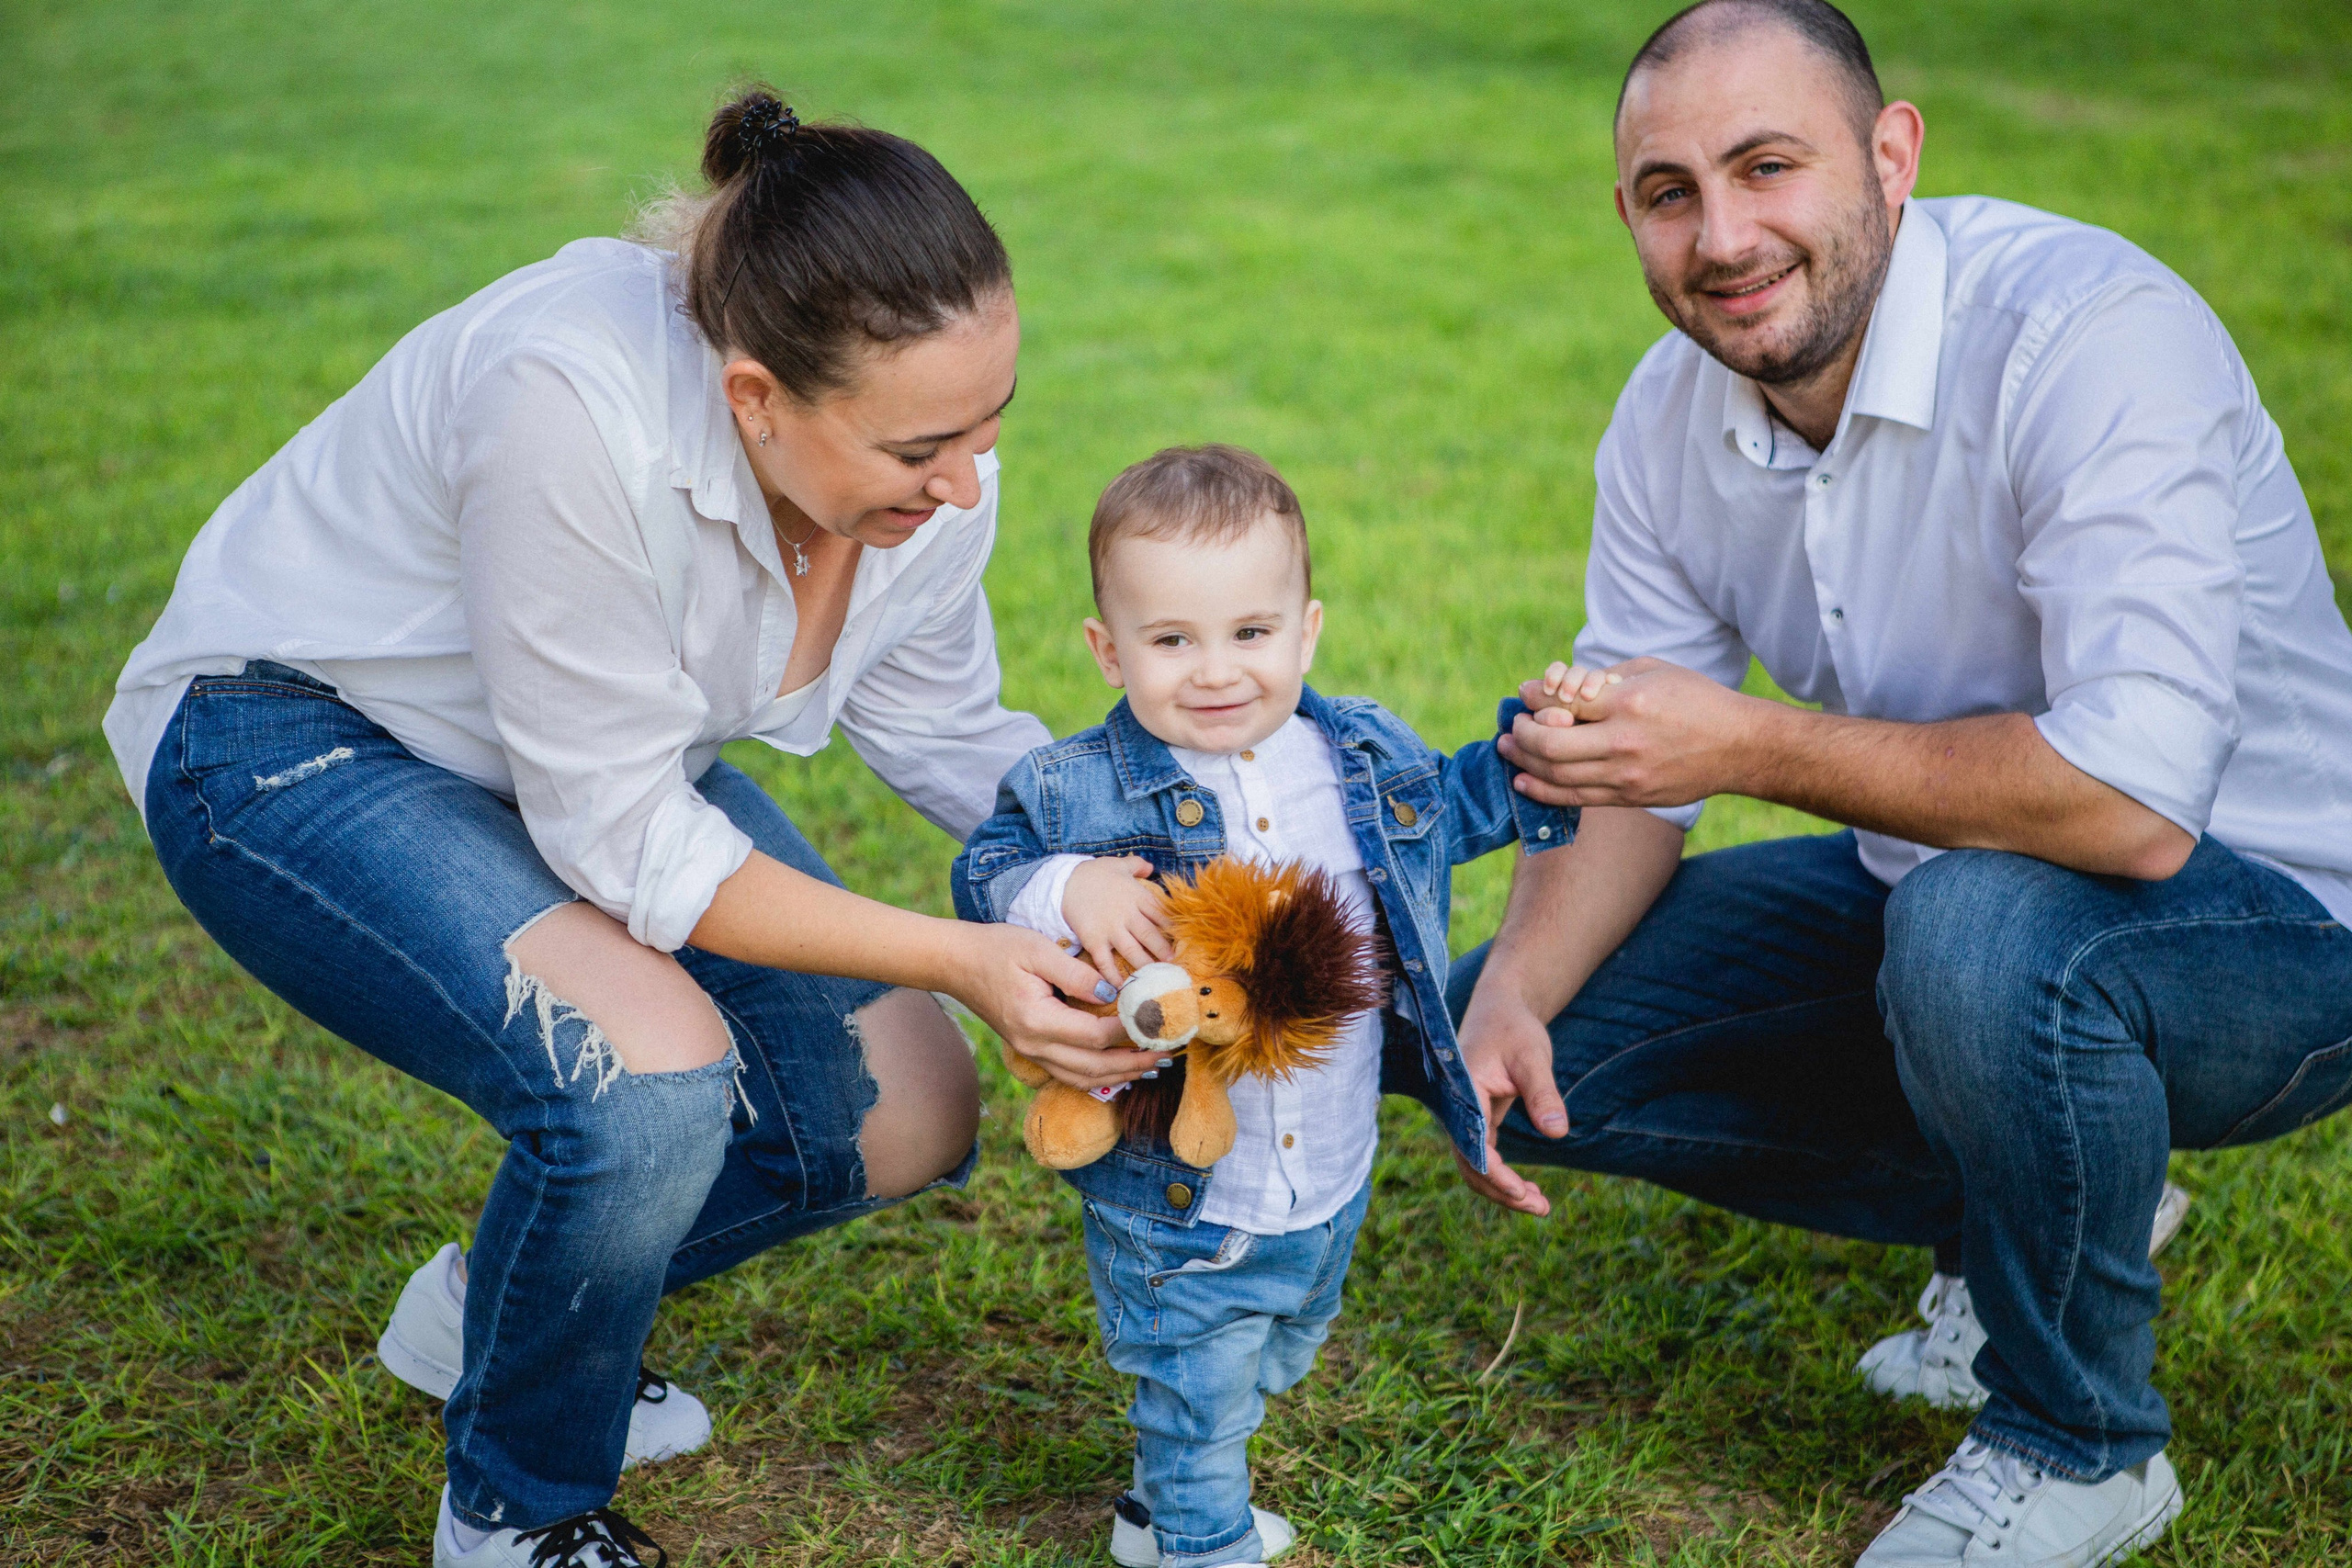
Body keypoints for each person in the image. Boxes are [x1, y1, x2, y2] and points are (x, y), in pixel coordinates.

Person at [105, 89, 1152, 1568]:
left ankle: (487, 1307)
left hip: (587, 758)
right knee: (651, 1081)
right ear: (754, 399)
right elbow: (638, 849)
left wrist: (1123, 856)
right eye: (926, 443)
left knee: (904, 1107)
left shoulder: (927, 473)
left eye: (995, 422)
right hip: (290, 736)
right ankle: (516, 1502)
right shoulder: (569, 399)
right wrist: (974, 954)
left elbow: (942, 728)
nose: (970, 479)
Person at [1447, 4, 2352, 1565]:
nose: (1723, 236)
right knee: (1523, 1040)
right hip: (1945, 889)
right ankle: (2053, 1198)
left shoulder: (2087, 334)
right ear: (1629, 218)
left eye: (1768, 166)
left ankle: (2081, 1442)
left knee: (1978, 933)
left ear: (1891, 153)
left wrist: (1748, 742)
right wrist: (1518, 981)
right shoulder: (1669, 416)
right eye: (1671, 192)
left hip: (2274, 919)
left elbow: (2136, 809)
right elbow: (1632, 788)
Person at [950, 446, 1575, 1568]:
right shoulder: (1076, 785)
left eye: (1250, 633)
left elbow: (1461, 807)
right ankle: (1193, 1534)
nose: (1215, 670)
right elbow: (985, 867)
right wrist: (1067, 884)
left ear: (1306, 630)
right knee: (1199, 1381)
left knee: (1286, 1335)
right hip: (1178, 1187)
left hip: (1330, 1161)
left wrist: (1540, 750)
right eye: (1171, 639)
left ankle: (1179, 1466)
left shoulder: (1356, 756)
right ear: (1107, 648)